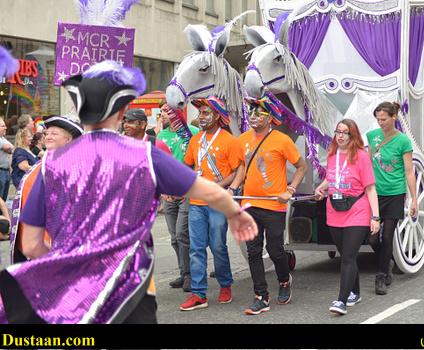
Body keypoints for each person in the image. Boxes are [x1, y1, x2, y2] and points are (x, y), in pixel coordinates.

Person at [0, 60, 257, 324]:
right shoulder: (144, 156)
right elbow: (209, 191)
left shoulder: (49, 167)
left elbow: (31, 246)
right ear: (122, 111)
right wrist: (235, 213)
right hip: (130, 298)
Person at [237, 97, 307, 315]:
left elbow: (301, 166)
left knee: (275, 250)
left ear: (270, 118)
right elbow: (242, 168)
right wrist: (232, 188)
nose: (254, 116)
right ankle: (261, 296)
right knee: (253, 251)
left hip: (274, 205)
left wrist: (290, 189)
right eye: (251, 112)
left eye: (259, 113)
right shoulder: (242, 139)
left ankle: (284, 281)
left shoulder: (282, 140)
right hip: (249, 204)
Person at [180, 96, 243, 311]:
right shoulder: (195, 140)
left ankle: (225, 284)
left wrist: (222, 185)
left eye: (206, 113)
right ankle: (199, 294)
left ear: (217, 116)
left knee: (217, 246)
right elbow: (188, 166)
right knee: (196, 248)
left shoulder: (230, 141)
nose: (202, 117)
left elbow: (237, 170)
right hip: (196, 202)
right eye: (200, 113)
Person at [314, 119, 380, 315]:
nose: (340, 136)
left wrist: (375, 217)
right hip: (334, 209)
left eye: (345, 132)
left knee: (349, 257)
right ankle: (356, 292)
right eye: (338, 132)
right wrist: (322, 187)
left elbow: (370, 188)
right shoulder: (332, 155)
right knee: (345, 255)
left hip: (357, 210)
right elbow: (331, 177)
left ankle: (341, 301)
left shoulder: (361, 156)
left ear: (353, 135)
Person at [10, 115, 84, 264]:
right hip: (36, 243)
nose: (48, 136)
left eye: (54, 133)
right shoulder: (42, 165)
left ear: (68, 140)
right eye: (46, 133)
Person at [367, 102, 417, 295]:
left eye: (384, 119)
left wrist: (414, 199)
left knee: (387, 236)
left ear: (394, 117)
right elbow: (367, 164)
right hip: (375, 193)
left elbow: (408, 171)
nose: (380, 123)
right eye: (378, 119)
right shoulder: (372, 136)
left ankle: (381, 276)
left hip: (395, 192)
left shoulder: (403, 141)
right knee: (372, 238)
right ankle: (385, 261)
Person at [157, 103, 199, 292]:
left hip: (187, 192)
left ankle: (191, 275)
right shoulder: (162, 136)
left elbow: (198, 161)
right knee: (174, 237)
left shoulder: (192, 132)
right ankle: (183, 273)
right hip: (168, 193)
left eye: (166, 112)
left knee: (183, 235)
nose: (163, 115)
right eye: (162, 112)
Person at [0, 118, 14, 201]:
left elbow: (12, 149)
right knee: (0, 199)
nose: (6, 128)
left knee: (4, 198)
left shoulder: (3, 139)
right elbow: (8, 147)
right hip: (1, 171)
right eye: (3, 126)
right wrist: (14, 149)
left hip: (6, 172)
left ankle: (2, 214)